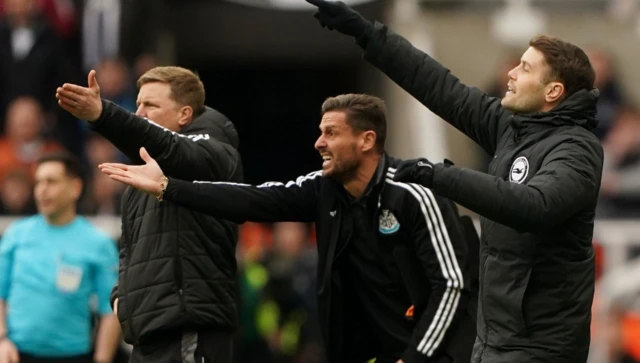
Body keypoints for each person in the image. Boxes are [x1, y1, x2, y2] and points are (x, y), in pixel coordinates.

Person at [304, 1, 604, 363]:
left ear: (552, 92)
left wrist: (439, 176)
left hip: (540, 348)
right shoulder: (511, 129)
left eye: (524, 68)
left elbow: (534, 206)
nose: (510, 73)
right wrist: (366, 33)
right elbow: (439, 87)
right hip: (491, 341)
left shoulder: (578, 150)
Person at [100, 93, 479, 363]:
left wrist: (415, 357)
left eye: (331, 133)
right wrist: (169, 188)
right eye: (320, 131)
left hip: (432, 353)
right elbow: (254, 199)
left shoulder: (413, 193)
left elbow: (452, 284)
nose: (319, 142)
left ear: (367, 140)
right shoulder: (324, 189)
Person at [55, 66, 243, 363]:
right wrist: (121, 300)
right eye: (138, 104)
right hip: (148, 335)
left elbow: (172, 149)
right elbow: (129, 251)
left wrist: (105, 115)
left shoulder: (213, 153)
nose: (139, 113)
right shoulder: (138, 177)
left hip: (188, 330)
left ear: (184, 114)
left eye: (151, 105)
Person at [0, 152, 120, 363]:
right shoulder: (16, 234)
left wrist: (102, 359)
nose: (42, 190)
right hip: (16, 354)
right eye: (38, 182)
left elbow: (110, 310)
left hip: (73, 356)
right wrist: (1, 340)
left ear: (75, 188)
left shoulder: (97, 243)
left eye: (51, 182)